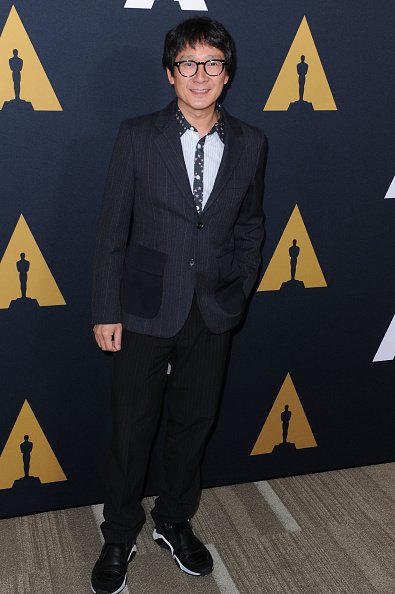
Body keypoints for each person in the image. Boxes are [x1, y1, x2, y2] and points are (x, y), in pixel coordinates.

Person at [90, 16, 267, 594]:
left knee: (194, 424)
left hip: (213, 310)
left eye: (211, 64)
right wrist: (105, 308)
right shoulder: (138, 136)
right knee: (131, 429)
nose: (200, 75)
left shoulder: (251, 143)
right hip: (143, 308)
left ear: (226, 73)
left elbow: (250, 226)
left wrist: (239, 287)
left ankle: (173, 519)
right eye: (188, 64)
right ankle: (119, 533)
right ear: (170, 74)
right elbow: (113, 229)